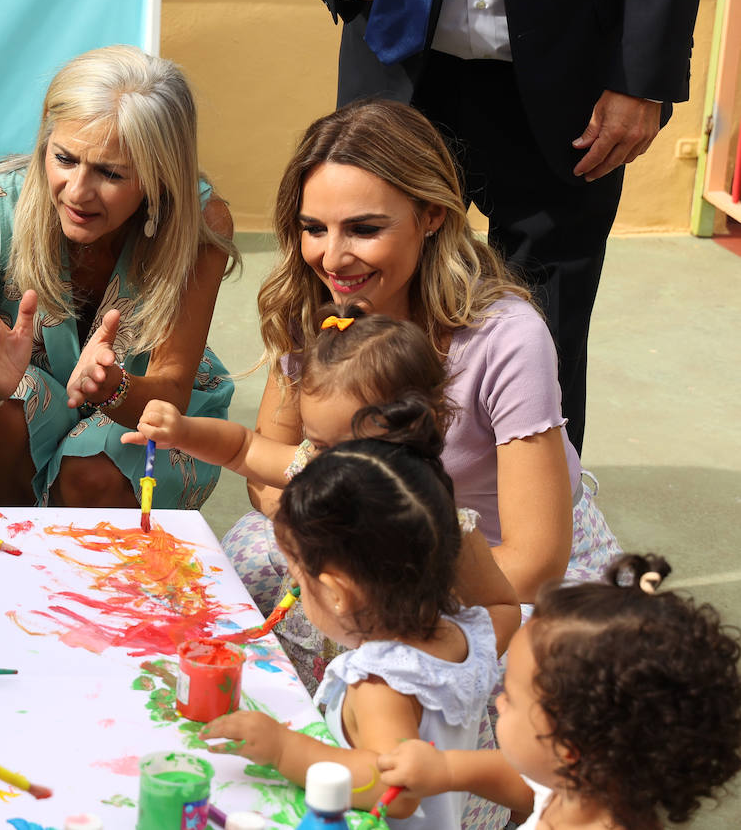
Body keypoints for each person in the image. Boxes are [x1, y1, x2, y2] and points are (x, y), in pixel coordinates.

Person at [222, 101, 619, 624]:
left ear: (432, 215)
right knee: (233, 584)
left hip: (489, 569)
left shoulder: (505, 337)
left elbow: (533, 563)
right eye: (314, 228)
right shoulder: (310, 309)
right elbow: (268, 473)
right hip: (353, 542)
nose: (333, 259)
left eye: (364, 229)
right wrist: (328, 536)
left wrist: (379, 575)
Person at [293, 0, 707, 452]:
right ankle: (359, 493)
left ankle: (538, 514)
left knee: (549, 329)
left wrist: (643, 75)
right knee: (366, 308)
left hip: (572, 69)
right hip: (399, 62)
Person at [129, 302, 533, 691]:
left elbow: (501, 606)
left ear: (412, 430)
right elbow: (243, 449)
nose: (328, 462)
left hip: (407, 706)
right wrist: (182, 431)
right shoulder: (318, 467)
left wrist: (448, 660)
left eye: (352, 446)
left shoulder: (437, 526)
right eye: (319, 444)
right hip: (312, 673)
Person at [0, 44, 241, 509]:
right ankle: (13, 561)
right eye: (64, 159)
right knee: (7, 405)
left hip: (141, 413)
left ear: (161, 175)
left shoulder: (201, 223)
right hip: (22, 415)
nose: (78, 192)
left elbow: (169, 392)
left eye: (110, 172)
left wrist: (112, 388)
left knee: (95, 466)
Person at [200, 428, 520, 830]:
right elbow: (506, 605)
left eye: (297, 575)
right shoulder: (467, 636)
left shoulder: (381, 683)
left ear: (336, 592)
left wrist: (285, 750)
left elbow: (397, 791)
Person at [377, 554, 741, 830]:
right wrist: (445, 768)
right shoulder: (581, 786)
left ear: (568, 747)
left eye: (513, 699)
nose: (499, 701)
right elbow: (526, 781)